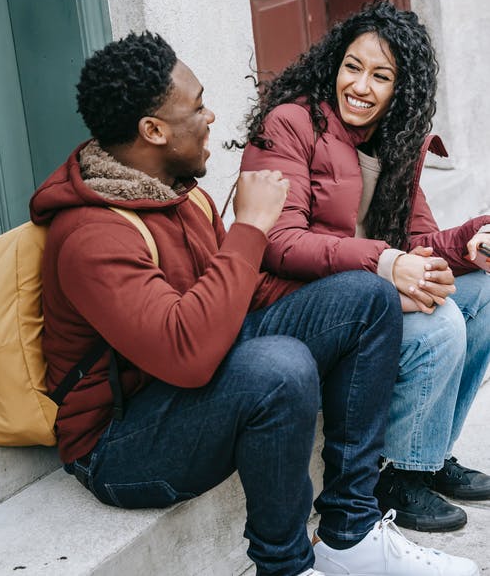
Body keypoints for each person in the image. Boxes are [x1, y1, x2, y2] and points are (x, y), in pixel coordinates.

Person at [28, 31, 479, 576]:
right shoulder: (90, 237)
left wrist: (366, 297)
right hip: (120, 445)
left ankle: (350, 532)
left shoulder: (178, 191)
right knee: (278, 367)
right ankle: (285, 566)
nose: (212, 116)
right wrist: (250, 228)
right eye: (196, 107)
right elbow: (187, 352)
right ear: (153, 130)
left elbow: (248, 293)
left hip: (187, 381)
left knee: (367, 295)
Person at [240, 0, 490, 538]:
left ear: (401, 89)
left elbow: (422, 241)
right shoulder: (292, 124)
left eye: (381, 76)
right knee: (440, 321)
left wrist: (471, 241)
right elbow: (277, 242)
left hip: (365, 293)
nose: (361, 86)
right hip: (293, 306)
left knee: (484, 295)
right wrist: (383, 260)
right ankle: (393, 479)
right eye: (352, 67)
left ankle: (430, 453)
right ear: (334, 64)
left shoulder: (394, 142)